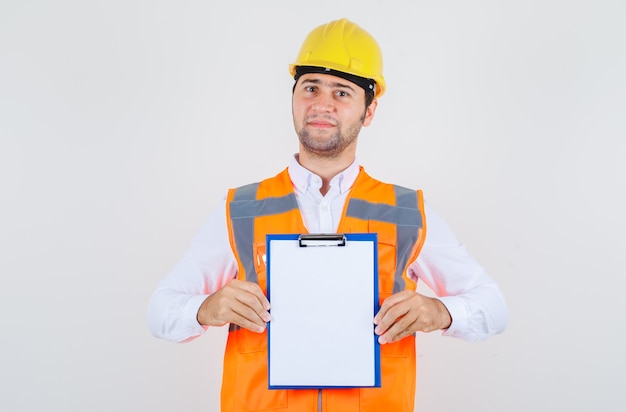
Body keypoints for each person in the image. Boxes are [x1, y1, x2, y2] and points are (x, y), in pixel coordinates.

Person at [147, 17, 508, 412]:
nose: (322, 104)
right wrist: (206, 308)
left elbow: (493, 305)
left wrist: (440, 311)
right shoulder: (240, 209)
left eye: (342, 92)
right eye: (310, 88)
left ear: (369, 111)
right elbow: (160, 309)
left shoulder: (407, 212)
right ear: (293, 97)